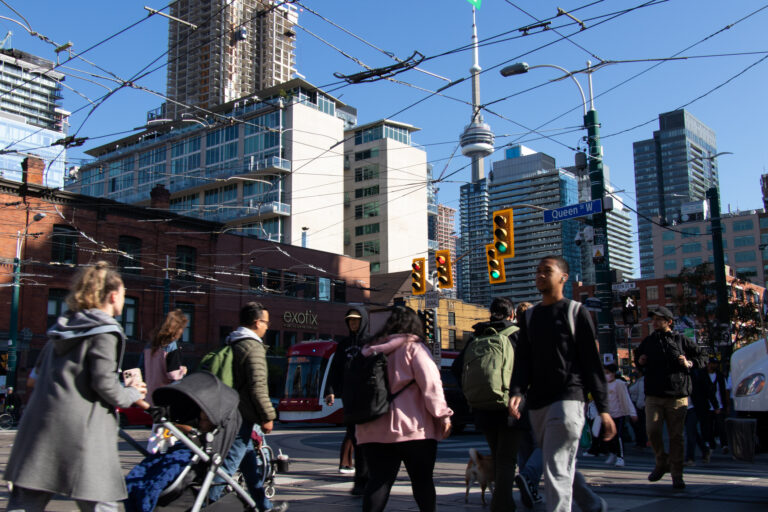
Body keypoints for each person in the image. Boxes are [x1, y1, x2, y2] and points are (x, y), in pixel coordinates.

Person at [5, 261, 147, 511]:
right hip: (83, 434)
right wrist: (133, 391)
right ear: (113, 296)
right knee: (101, 502)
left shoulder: (60, 329)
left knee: (26, 502)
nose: (123, 301)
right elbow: (106, 386)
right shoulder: (105, 331)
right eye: (124, 295)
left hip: (40, 429)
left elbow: (33, 379)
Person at [510, 255, 615, 512]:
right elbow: (523, 359)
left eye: (547, 270)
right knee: (556, 462)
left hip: (569, 398)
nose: (540, 275)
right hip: (537, 404)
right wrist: (517, 391)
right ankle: (592, 504)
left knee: (556, 466)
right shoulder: (530, 316)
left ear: (563, 278)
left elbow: (592, 362)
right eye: (537, 271)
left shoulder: (576, 312)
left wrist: (603, 407)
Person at [355, 306, 452, 512]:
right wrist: (443, 416)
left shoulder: (368, 350)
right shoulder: (414, 348)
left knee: (378, 482)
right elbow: (431, 386)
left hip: (372, 430)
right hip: (413, 431)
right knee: (422, 481)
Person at [207, 302, 288, 512]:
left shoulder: (232, 342)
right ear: (257, 322)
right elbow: (258, 387)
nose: (268, 327)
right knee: (226, 469)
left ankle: (263, 506)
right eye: (266, 322)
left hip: (231, 413)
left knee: (250, 467)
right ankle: (206, 504)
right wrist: (268, 416)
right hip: (240, 418)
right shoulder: (253, 348)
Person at [453, 297, 525, 511]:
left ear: (491, 313)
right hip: (510, 407)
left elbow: (457, 368)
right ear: (511, 314)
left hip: (482, 408)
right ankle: (502, 505)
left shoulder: (477, 336)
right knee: (507, 459)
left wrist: (471, 392)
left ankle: (503, 502)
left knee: (497, 454)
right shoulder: (516, 335)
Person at [635, 306, 703, 490]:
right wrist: (640, 362)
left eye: (659, 319)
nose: (654, 322)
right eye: (653, 319)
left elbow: (702, 356)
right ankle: (662, 461)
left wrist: (690, 363)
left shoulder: (681, 340)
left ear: (669, 322)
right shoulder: (648, 342)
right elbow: (637, 360)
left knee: (676, 437)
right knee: (652, 430)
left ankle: (677, 474)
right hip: (654, 395)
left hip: (677, 395)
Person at [324, 307, 370, 491]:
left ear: (363, 321)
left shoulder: (370, 342)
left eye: (356, 320)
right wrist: (330, 390)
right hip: (349, 397)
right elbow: (335, 369)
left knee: (366, 438)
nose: (353, 323)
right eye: (350, 320)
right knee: (354, 434)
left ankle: (365, 475)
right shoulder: (342, 345)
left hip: (366, 398)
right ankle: (361, 478)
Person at [142, 309, 188, 405]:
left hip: (150, 396)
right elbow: (173, 375)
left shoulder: (150, 345)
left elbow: (142, 368)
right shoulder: (172, 345)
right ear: (177, 328)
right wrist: (182, 371)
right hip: (165, 397)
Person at [599, 364, 637, 467]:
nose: (606, 375)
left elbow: (626, 398)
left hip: (618, 414)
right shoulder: (603, 385)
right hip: (607, 415)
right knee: (607, 436)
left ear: (614, 373)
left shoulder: (619, 384)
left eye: (608, 373)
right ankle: (612, 453)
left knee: (618, 436)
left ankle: (620, 457)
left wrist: (632, 413)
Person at [701, 357, 729, 454]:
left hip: (719, 405)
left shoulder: (720, 376)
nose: (715, 365)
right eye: (713, 363)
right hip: (708, 406)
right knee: (708, 426)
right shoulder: (703, 376)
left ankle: (724, 444)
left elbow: (725, 391)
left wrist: (726, 405)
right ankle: (711, 443)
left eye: (716, 364)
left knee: (721, 426)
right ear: (708, 364)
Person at [628, 369, 647, 448]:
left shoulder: (641, 382)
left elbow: (641, 394)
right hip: (635, 404)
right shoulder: (638, 381)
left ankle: (641, 441)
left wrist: (639, 406)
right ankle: (639, 441)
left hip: (638, 405)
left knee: (639, 425)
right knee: (637, 425)